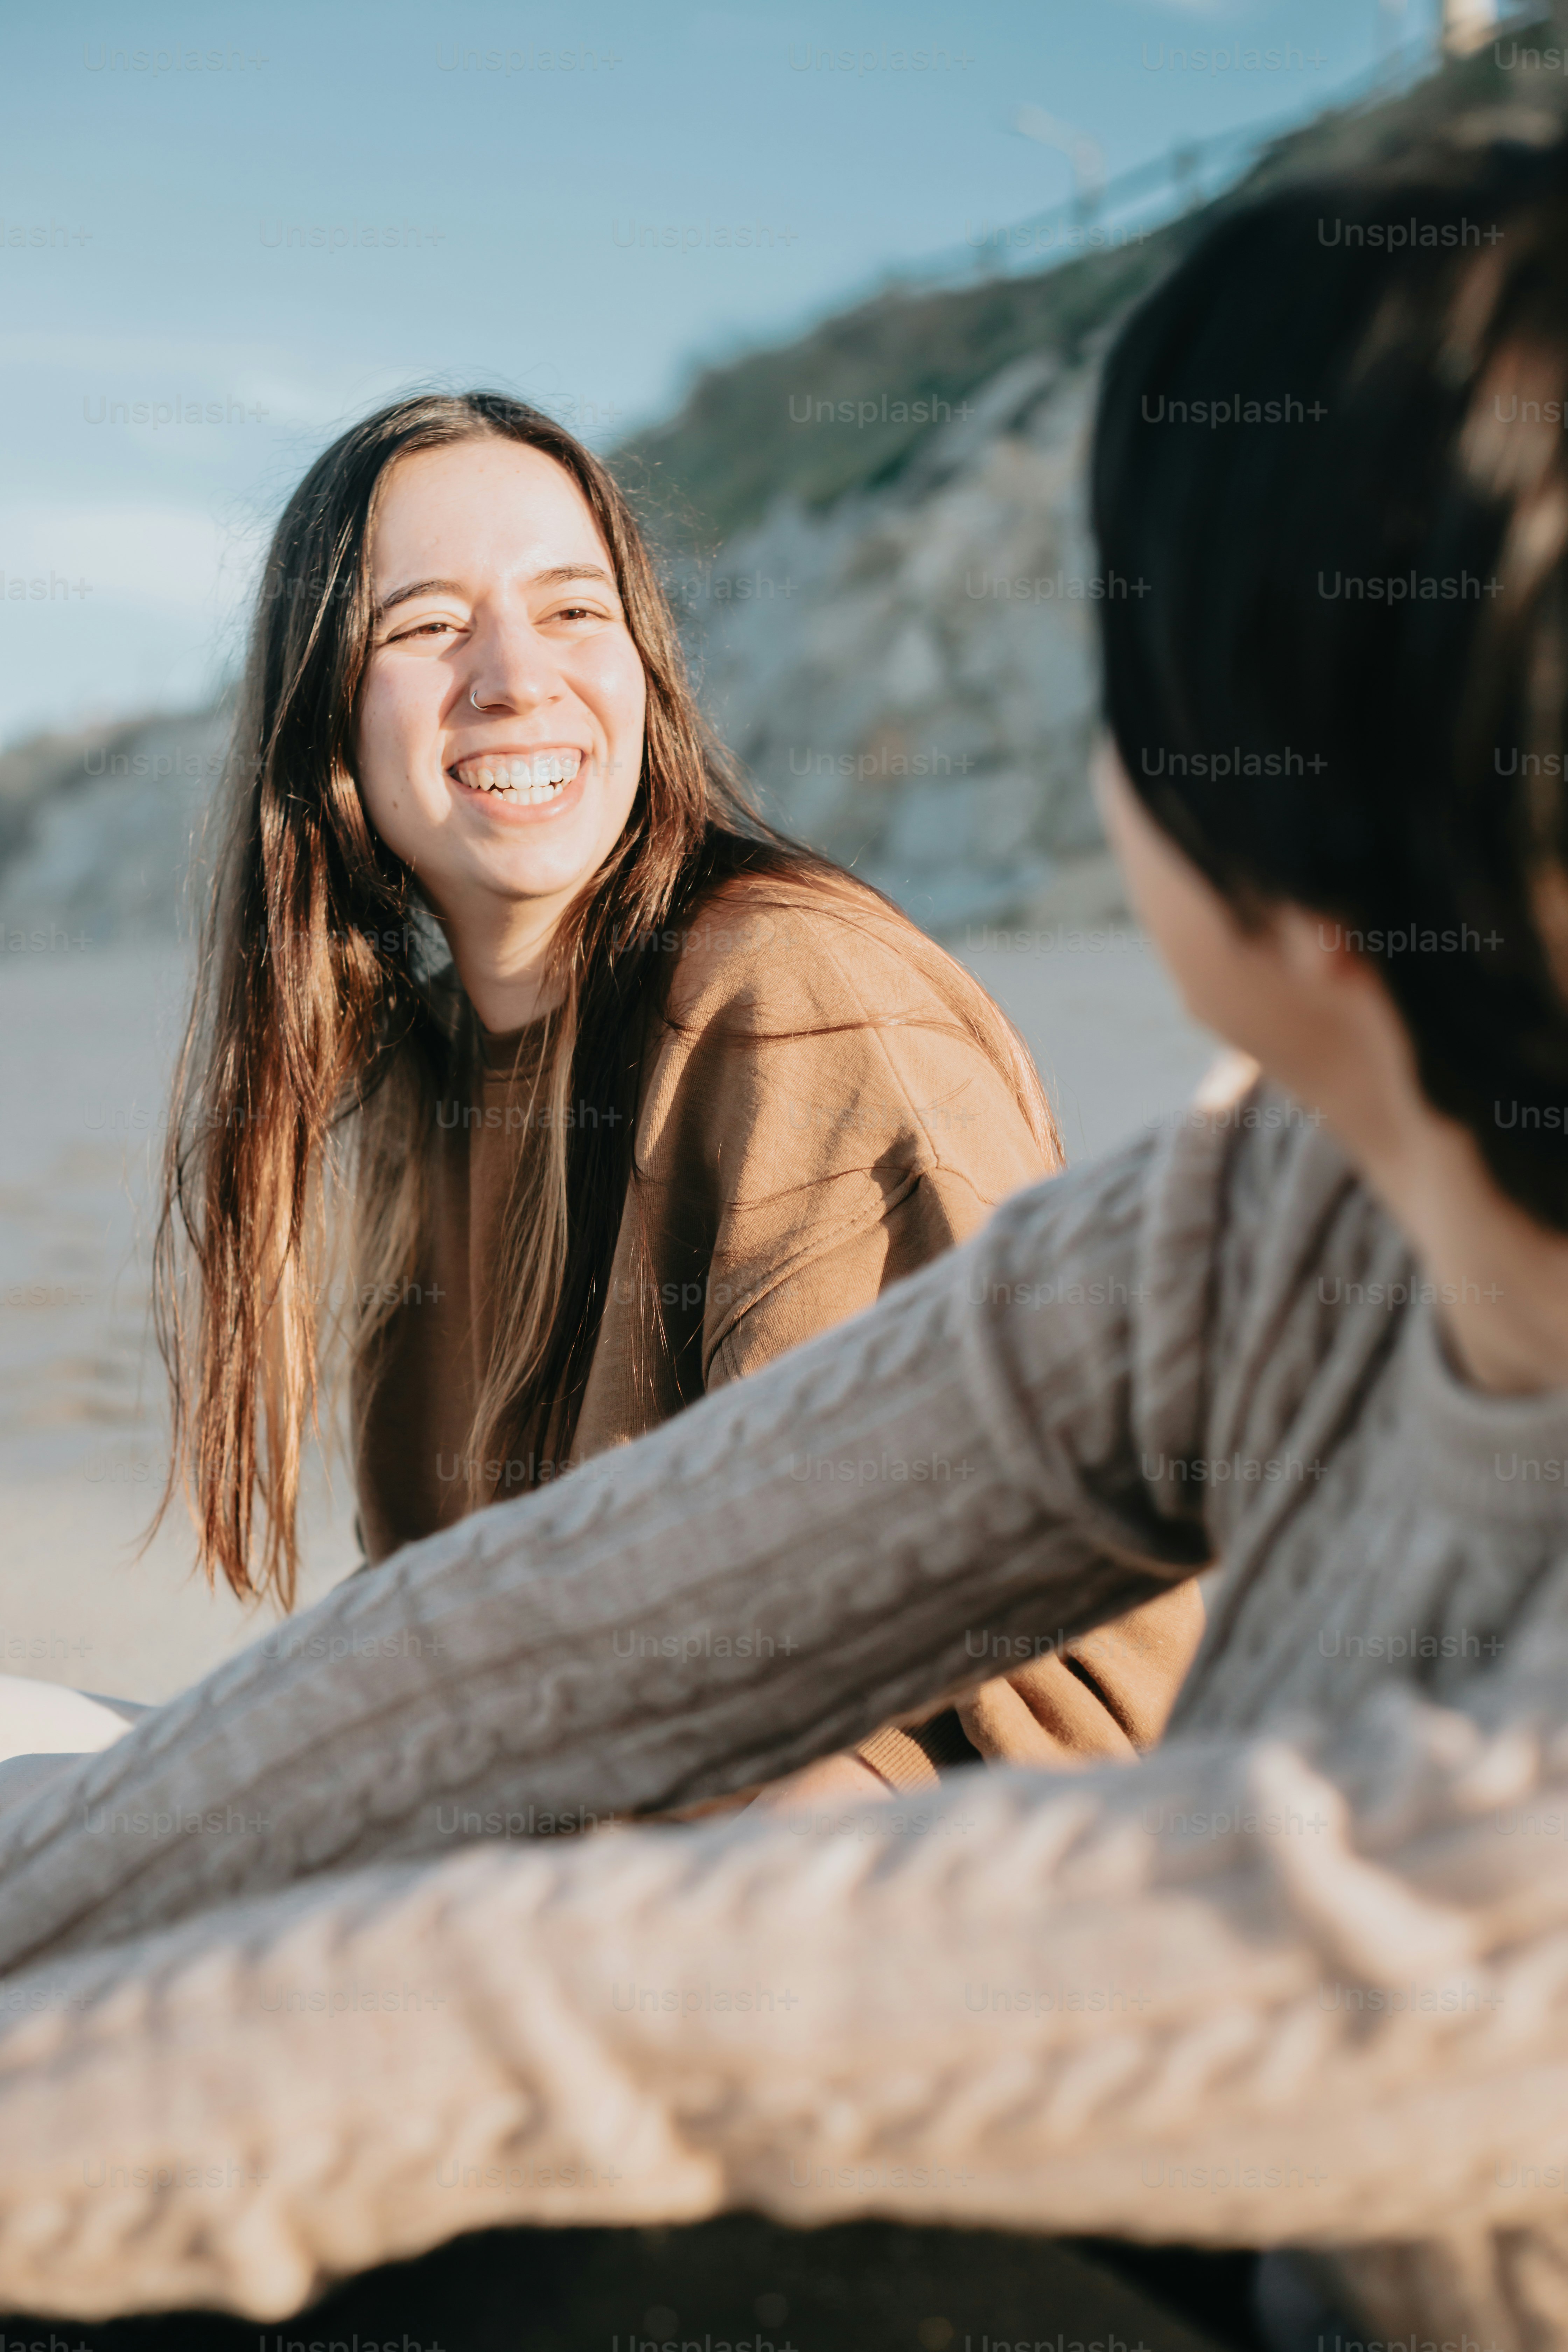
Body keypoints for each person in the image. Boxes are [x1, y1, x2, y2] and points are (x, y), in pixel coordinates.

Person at [4, 110, 1568, 2352]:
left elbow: (675, 2004)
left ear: (1242, 796)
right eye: (423, 632)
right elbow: (553, 1638)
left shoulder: (808, 987)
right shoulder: (1279, 1224)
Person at [3, 391, 1201, 1793]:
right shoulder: (427, 1080)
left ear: (644, 666)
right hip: (582, 1820)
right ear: (324, 710)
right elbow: (449, 1632)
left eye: (575, 610)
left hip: (942, 1876)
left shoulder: (795, 1002)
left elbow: (931, 1676)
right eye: (426, 625)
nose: (516, 677)